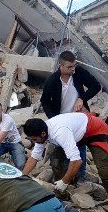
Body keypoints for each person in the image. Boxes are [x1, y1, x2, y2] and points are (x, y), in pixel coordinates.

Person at [22, 113, 108, 212]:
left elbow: (77, 161)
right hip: (77, 133)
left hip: (96, 130)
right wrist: (21, 177)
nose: (34, 142)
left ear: (43, 134)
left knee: (104, 171)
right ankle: (61, 194)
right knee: (56, 159)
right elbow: (34, 157)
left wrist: (64, 182)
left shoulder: (59, 133)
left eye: (35, 139)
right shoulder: (42, 132)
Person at [40, 50, 102, 182]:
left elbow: (96, 86)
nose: (73, 69)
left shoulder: (79, 73)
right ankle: (63, 176)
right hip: (60, 119)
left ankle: (80, 177)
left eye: (74, 66)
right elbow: (44, 100)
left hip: (77, 118)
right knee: (62, 148)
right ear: (60, 66)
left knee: (80, 145)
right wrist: (53, 118)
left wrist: (82, 98)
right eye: (69, 67)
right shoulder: (52, 80)